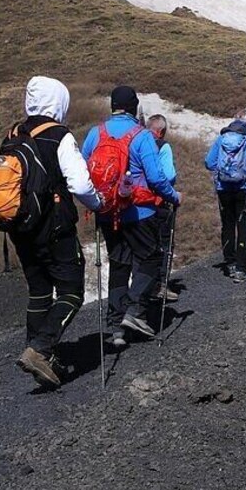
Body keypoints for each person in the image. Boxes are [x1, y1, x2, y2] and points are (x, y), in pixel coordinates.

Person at [10, 76, 104, 388]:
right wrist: (98, 202)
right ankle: (40, 350)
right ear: (58, 102)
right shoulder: (58, 135)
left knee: (39, 290)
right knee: (71, 292)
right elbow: (79, 183)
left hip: (21, 227)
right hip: (55, 228)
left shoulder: (14, 133)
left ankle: (37, 350)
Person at [82, 86, 181, 347]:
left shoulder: (96, 134)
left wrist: (95, 203)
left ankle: (116, 327)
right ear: (134, 106)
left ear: (112, 106)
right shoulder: (142, 136)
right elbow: (156, 177)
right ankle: (134, 311)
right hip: (139, 212)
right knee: (150, 259)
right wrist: (174, 196)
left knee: (119, 264)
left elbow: (83, 172)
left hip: (106, 212)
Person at [205, 108, 246, 282]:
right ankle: (241, 268)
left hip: (223, 189)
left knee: (227, 225)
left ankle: (229, 261)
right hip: (245, 189)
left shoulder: (221, 139)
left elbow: (209, 162)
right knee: (243, 226)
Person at [146, 114, 178, 301]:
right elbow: (169, 175)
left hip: (137, 203)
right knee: (165, 243)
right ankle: (160, 284)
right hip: (159, 202)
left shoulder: (136, 142)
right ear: (162, 131)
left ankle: (143, 283)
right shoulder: (162, 146)